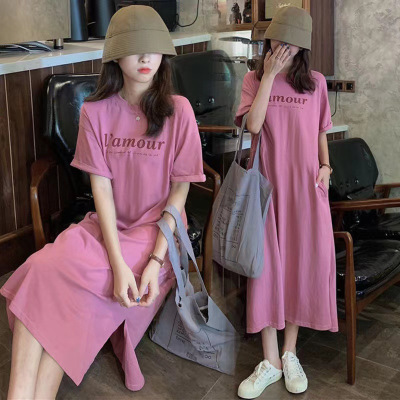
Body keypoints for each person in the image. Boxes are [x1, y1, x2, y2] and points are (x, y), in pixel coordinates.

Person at [0, 5, 205, 399]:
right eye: (134, 48)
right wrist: (116, 260)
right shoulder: (95, 112)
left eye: (153, 48)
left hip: (156, 233)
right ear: (115, 55)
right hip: (106, 228)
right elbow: (103, 191)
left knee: (67, 295)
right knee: (42, 269)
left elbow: (179, 192)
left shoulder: (178, 111)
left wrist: (155, 260)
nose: (145, 58)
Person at [235, 6, 338, 399]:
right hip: (265, 187)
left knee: (299, 264)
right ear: (269, 39)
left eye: (292, 41)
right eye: (279, 38)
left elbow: (320, 130)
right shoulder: (253, 79)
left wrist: (326, 166)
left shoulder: (315, 83)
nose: (284, 46)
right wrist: (269, 76)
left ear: (304, 46)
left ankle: (289, 352)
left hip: (306, 189)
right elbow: (253, 125)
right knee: (263, 268)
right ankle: (270, 361)